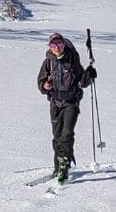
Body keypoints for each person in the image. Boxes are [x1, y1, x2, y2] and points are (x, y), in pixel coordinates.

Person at [37, 32, 97, 184]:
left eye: (59, 44)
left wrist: (89, 75)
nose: (57, 47)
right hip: (55, 104)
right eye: (53, 45)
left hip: (71, 103)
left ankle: (65, 165)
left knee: (67, 134)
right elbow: (41, 83)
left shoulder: (72, 60)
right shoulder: (48, 62)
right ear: (50, 47)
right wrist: (45, 86)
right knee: (57, 137)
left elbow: (82, 82)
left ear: (64, 44)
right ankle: (58, 166)